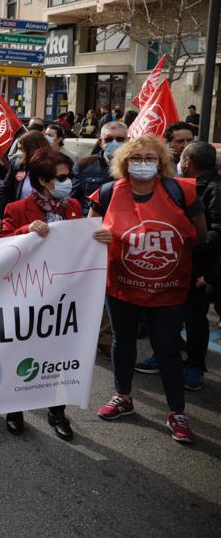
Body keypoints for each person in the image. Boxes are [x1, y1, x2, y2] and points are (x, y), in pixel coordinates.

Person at [89, 135, 207, 444]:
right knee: (123, 341)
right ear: (124, 162)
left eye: (149, 158)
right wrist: (96, 236)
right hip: (121, 285)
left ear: (162, 162)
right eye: (136, 158)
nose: (142, 163)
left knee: (166, 347)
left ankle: (177, 412)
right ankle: (122, 396)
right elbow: (87, 233)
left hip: (169, 286)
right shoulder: (107, 193)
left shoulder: (179, 191)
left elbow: (200, 234)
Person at [0, 150, 83, 440]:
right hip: (28, 291)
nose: (68, 182)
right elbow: (2, 248)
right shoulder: (17, 207)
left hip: (62, 294)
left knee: (58, 354)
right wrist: (26, 230)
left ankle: (57, 411)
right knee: (21, 351)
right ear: (43, 181)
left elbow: (81, 243)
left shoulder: (73, 206)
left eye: (69, 176)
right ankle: (15, 408)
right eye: (62, 177)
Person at [135, 142, 221, 391]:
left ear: (187, 163)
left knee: (195, 319)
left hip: (197, 271)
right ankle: (164, 357)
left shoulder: (215, 190)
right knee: (166, 318)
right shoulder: (178, 187)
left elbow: (216, 235)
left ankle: (194, 366)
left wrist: (210, 275)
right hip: (170, 267)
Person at [0, 130, 50, 230]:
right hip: (20, 219)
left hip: (45, 220)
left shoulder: (52, 167)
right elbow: (5, 190)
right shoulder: (17, 165)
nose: (18, 153)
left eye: (22, 150)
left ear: (34, 149)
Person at [74, 122, 127, 215]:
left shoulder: (136, 167)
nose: (114, 143)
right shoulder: (84, 165)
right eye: (108, 139)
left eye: (120, 139)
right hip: (92, 223)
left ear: (127, 141)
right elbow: (71, 200)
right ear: (101, 142)